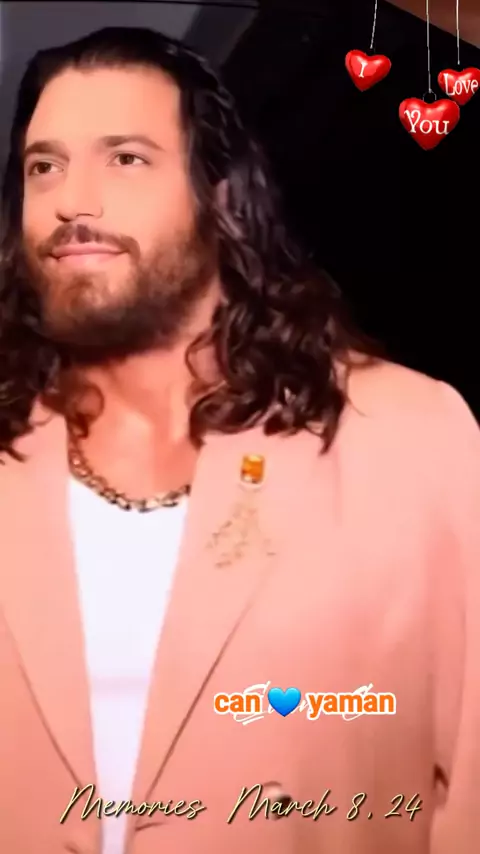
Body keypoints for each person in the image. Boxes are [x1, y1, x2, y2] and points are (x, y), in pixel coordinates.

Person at [0, 26, 478, 854]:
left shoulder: (410, 438)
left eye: (125, 158)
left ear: (220, 197)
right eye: (45, 166)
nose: (73, 199)